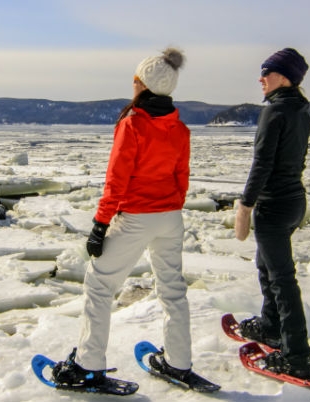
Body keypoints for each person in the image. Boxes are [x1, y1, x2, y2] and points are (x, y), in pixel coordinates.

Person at [52, 47, 219, 393]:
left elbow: (117, 180)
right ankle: (178, 361)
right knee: (173, 290)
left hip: (137, 217)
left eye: (135, 80)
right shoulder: (180, 129)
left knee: (99, 285)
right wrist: (169, 209)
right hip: (170, 218)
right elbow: (182, 179)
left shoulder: (133, 125)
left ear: (141, 84)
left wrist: (100, 225)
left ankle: (87, 365)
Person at [233, 48, 310, 379]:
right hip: (294, 201)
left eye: (266, 73)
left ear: (282, 78)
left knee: (282, 279)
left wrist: (245, 205)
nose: (261, 79)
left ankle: (296, 356)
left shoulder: (274, 113)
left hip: (274, 205)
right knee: (266, 265)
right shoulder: (301, 112)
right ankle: (270, 326)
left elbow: (262, 164)